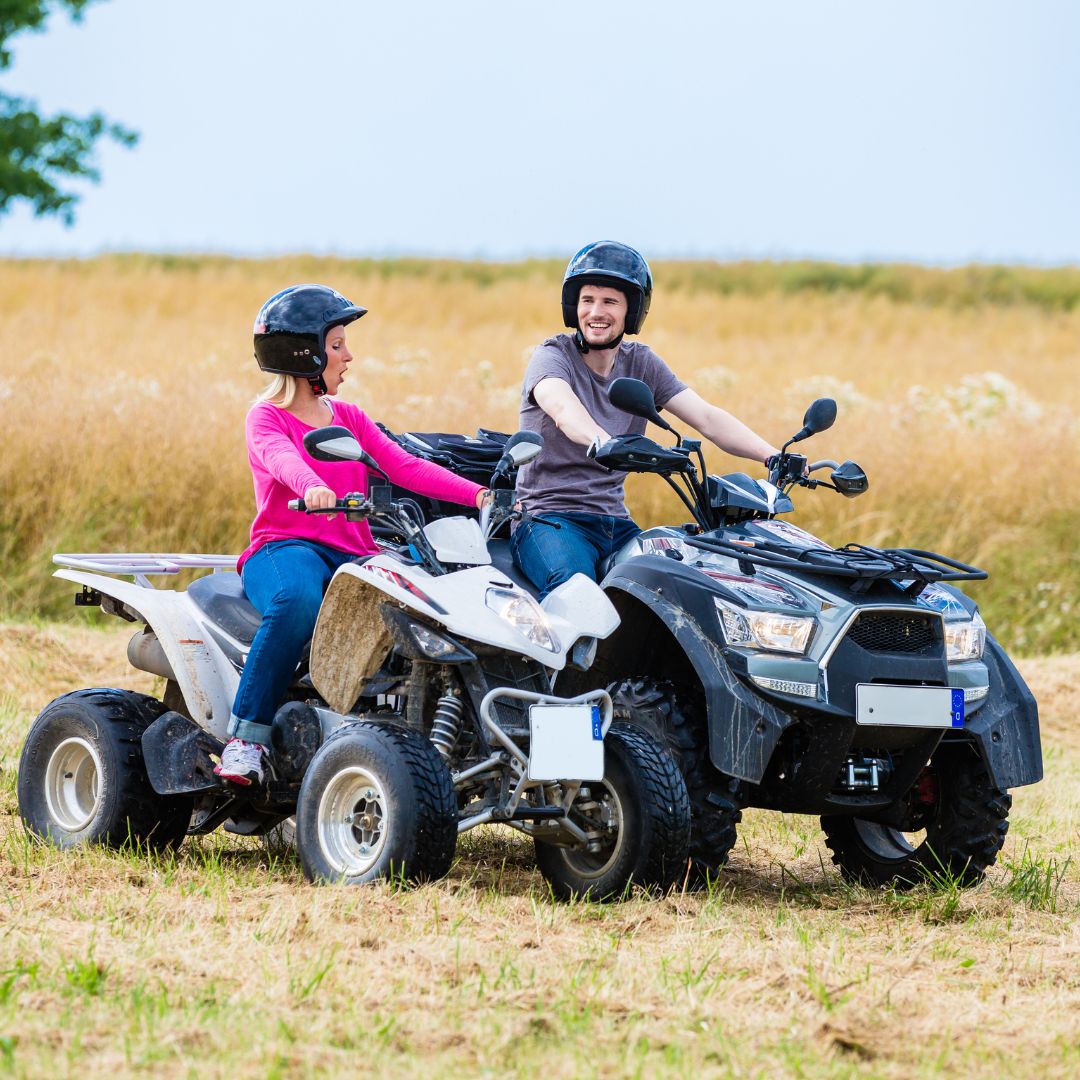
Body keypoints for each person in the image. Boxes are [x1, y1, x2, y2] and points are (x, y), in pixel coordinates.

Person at [214, 284, 489, 786]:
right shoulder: (266, 418)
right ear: (306, 354)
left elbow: (405, 467)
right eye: (337, 345)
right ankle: (245, 740)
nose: (349, 356)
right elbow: (282, 459)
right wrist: (313, 486)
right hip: (284, 547)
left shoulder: (351, 419)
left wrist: (477, 495)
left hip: (355, 552)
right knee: (295, 601)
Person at [511, 241, 780, 598]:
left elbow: (706, 417)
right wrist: (600, 440)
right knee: (576, 593)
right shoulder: (551, 356)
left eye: (610, 302)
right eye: (587, 300)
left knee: (674, 590)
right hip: (549, 518)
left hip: (616, 523)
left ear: (631, 312)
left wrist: (772, 455)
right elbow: (561, 409)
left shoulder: (641, 363)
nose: (596, 312)